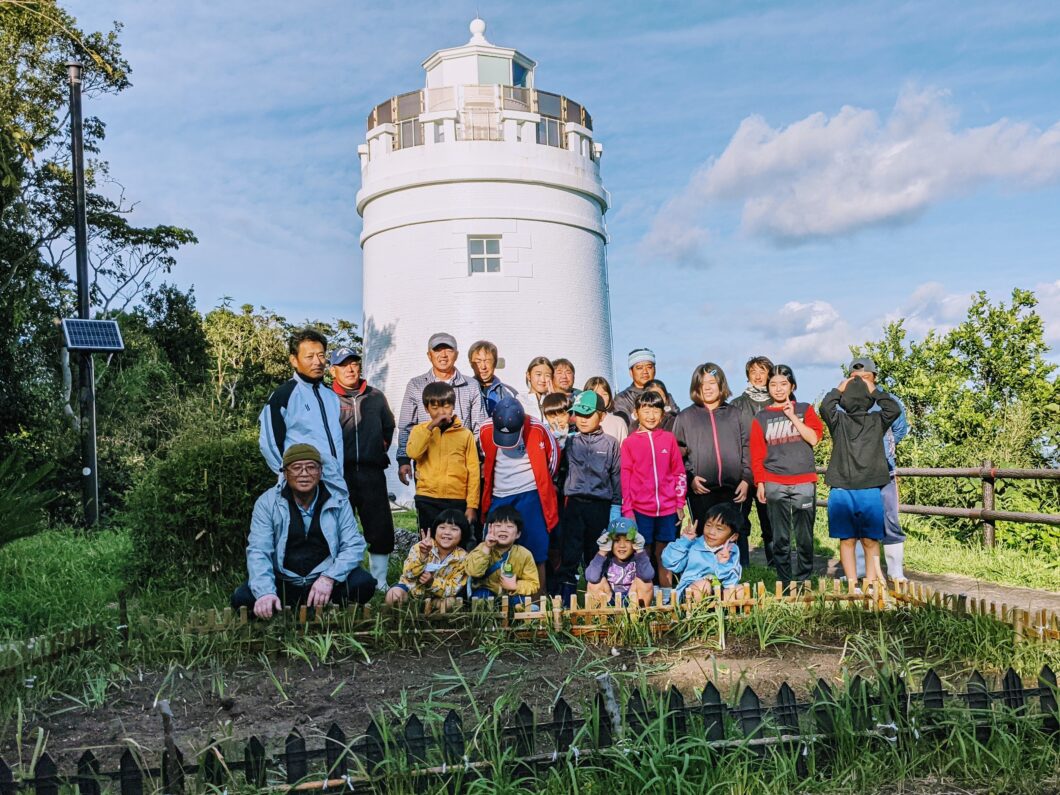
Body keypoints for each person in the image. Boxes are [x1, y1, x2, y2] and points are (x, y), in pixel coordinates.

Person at [231, 444, 375, 618]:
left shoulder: (338, 500)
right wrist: (265, 592)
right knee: (242, 597)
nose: (304, 474)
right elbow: (259, 551)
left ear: (320, 471)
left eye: (311, 467)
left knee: (364, 583)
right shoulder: (267, 503)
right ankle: (283, 607)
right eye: (296, 468)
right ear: (285, 473)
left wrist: (329, 578)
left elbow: (353, 545)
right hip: (285, 582)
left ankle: (323, 608)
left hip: (323, 582)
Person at [820, 375, 901, 586]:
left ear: (843, 400)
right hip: (868, 490)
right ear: (870, 400)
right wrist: (874, 390)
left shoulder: (838, 420)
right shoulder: (876, 420)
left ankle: (856, 583)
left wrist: (839, 388)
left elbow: (825, 406)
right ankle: (870, 583)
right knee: (870, 540)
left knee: (847, 540)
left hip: (843, 490)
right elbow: (893, 408)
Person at [329, 346, 396, 591]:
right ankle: (340, 578)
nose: (350, 368)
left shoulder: (375, 396)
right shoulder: (327, 398)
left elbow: (389, 425)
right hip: (339, 474)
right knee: (338, 527)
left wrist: (379, 447)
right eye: (343, 364)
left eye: (354, 363)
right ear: (333, 369)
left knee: (379, 526)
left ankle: (379, 580)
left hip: (371, 472)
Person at [673, 363, 752, 568]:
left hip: (733, 487)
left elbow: (748, 446)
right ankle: (703, 573)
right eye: (702, 383)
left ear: (720, 384)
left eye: (712, 382)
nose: (707, 387)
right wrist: (690, 478)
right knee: (704, 532)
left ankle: (738, 571)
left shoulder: (736, 414)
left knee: (735, 529)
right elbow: (677, 454)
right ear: (695, 387)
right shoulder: (685, 417)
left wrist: (746, 479)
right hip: (701, 489)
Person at [749, 365, 823, 585]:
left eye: (783, 384)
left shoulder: (805, 409)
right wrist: (760, 483)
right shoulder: (761, 417)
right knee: (780, 537)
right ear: (767, 387)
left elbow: (813, 439)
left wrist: (793, 417)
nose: (778, 389)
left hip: (803, 482)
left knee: (804, 536)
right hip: (774, 482)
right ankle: (784, 581)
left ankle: (803, 580)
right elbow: (757, 453)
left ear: (792, 386)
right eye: (773, 384)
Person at [479, 396, 560, 596]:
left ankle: (538, 597)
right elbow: (484, 457)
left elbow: (553, 459)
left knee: (536, 547)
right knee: (496, 545)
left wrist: (539, 484)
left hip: (530, 493)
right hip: (500, 494)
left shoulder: (537, 428)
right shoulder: (485, 429)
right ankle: (497, 595)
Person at [260, 328, 345, 495]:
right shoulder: (283, 396)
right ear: (294, 360)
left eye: (321, 355)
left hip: (335, 484)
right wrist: (288, 476)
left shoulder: (331, 396)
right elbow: (268, 444)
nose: (317, 362)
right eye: (309, 356)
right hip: (302, 488)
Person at [848, 358, 911, 581]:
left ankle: (895, 571)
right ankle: (861, 571)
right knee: (857, 522)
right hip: (855, 474)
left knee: (890, 519)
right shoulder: (843, 403)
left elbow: (900, 430)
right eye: (856, 379)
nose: (862, 383)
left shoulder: (889, 400)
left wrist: (883, 448)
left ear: (875, 377)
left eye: (866, 378)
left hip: (885, 470)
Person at [396, 333, 487, 487]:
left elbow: (480, 426)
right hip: (427, 468)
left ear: (456, 355)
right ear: (429, 355)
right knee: (429, 508)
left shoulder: (471, 385)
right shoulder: (416, 385)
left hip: (462, 468)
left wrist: (483, 459)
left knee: (464, 510)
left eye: (449, 350)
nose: (443, 355)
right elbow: (406, 426)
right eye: (438, 350)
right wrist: (404, 460)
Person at [557, 391, 623, 602]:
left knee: (597, 553)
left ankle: (599, 599)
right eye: (578, 414)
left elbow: (616, 476)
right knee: (570, 553)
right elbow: (561, 472)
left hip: (600, 506)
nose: (582, 420)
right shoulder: (569, 442)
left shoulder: (610, 443)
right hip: (574, 505)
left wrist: (616, 507)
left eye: (588, 414)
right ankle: (566, 601)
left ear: (602, 416)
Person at [621, 390, 686, 598]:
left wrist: (679, 503)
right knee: (643, 552)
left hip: (667, 508)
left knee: (664, 553)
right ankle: (646, 592)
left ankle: (666, 594)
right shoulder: (630, 442)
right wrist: (628, 509)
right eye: (645, 409)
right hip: (641, 509)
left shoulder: (668, 439)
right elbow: (626, 478)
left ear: (663, 413)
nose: (650, 415)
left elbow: (679, 472)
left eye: (655, 409)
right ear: (636, 413)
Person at [406, 382, 480, 533]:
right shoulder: (419, 430)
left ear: (453, 406)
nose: (441, 412)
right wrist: (430, 428)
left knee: (456, 542)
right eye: (434, 408)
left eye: (446, 406)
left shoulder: (465, 434)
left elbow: (473, 472)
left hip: (457, 499)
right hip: (427, 499)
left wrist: (472, 506)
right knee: (428, 543)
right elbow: (414, 453)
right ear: (426, 409)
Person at [731, 355, 776, 567]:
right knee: (740, 520)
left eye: (762, 371)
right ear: (747, 376)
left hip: (771, 471)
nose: (758, 376)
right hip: (745, 471)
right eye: (753, 372)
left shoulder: (778, 401)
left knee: (771, 521)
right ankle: (743, 567)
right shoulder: (737, 404)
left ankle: (776, 567)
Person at [662, 503, 743, 602]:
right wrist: (684, 541)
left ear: (733, 536)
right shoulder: (692, 545)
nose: (711, 532)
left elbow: (731, 583)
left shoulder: (732, 550)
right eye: (708, 525)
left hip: (717, 590)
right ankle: (695, 615)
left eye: (719, 529)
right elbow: (669, 562)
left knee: (739, 590)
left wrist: (724, 564)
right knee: (703, 586)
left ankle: (724, 614)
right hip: (690, 592)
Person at [385, 510, 469, 605]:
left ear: (462, 534)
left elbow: (454, 588)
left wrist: (432, 582)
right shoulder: (421, 547)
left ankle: (432, 614)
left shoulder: (463, 557)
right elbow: (408, 574)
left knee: (450, 603)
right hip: (411, 589)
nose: (447, 532)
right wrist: (423, 556)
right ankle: (397, 616)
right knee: (393, 595)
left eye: (454, 529)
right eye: (442, 527)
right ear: (435, 530)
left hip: (438, 595)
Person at [464, 505, 540, 602]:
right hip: (486, 593)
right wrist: (487, 548)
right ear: (490, 528)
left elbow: (533, 583)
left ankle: (512, 616)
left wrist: (515, 586)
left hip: (511, 593)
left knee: (520, 601)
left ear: (518, 534)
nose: (503, 529)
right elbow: (473, 572)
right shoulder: (482, 548)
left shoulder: (524, 554)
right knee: (481, 597)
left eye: (509, 526)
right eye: (498, 525)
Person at [585, 517, 655, 607]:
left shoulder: (638, 558)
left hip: (632, 599)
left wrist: (640, 551)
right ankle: (601, 616)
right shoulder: (606, 558)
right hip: (609, 599)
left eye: (627, 540)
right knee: (593, 584)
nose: (622, 545)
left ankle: (638, 616)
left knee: (646, 582)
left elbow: (648, 575)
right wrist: (602, 551)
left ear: (635, 541)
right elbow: (591, 577)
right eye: (616, 541)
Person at [612, 348, 680, 430]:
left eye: (649, 367)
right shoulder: (622, 398)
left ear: (654, 369)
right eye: (639, 368)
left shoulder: (665, 394)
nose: (645, 371)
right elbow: (622, 426)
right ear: (631, 372)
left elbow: (677, 421)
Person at [468, 340, 518, 417]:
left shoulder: (509, 393)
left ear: (495, 363)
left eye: (487, 361)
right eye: (478, 361)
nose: (483, 367)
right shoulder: (464, 391)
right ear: (471, 364)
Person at [583, 376, 628, 444]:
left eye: (605, 394)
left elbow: (624, 450)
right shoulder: (580, 420)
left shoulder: (618, 422)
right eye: (596, 393)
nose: (600, 397)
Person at [518, 356, 554, 421]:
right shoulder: (519, 401)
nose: (543, 380)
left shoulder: (557, 403)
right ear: (528, 375)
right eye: (538, 374)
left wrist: (554, 401)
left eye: (547, 375)